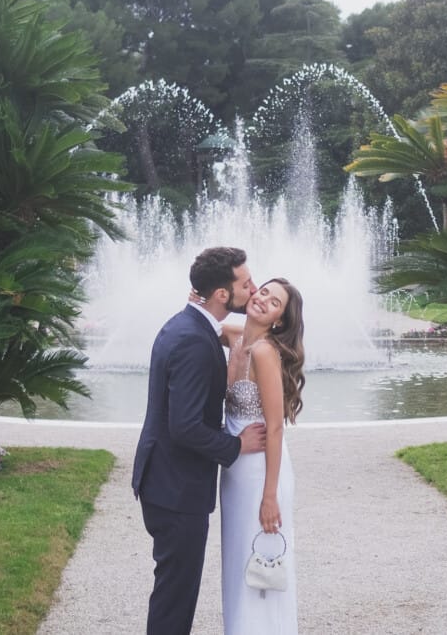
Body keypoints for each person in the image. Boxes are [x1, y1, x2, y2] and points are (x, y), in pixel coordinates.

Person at [132, 247, 268, 635]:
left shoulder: (187, 324)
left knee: (173, 590)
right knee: (176, 596)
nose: (254, 290)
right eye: (246, 284)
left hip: (164, 480)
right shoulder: (194, 340)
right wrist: (237, 446)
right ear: (222, 294)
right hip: (175, 488)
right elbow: (186, 427)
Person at [218, 277, 306, 634]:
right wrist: (198, 296)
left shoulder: (265, 352)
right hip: (235, 472)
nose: (263, 300)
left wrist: (270, 497)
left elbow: (274, 427)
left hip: (260, 472)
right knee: (239, 561)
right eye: (264, 292)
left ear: (279, 321)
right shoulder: (237, 337)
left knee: (262, 565)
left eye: (274, 303)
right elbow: (213, 320)